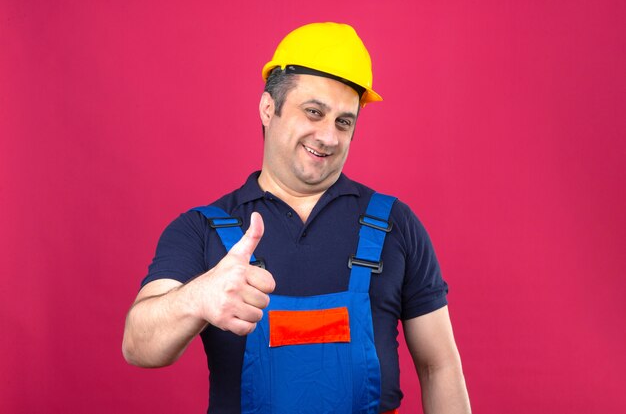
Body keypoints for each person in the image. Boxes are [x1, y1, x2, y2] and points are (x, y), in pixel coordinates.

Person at [122, 22, 471, 414]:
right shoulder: (202, 229)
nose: (329, 137)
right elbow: (138, 345)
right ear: (268, 109)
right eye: (314, 112)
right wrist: (198, 297)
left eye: (344, 121)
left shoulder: (394, 225)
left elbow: (438, 366)